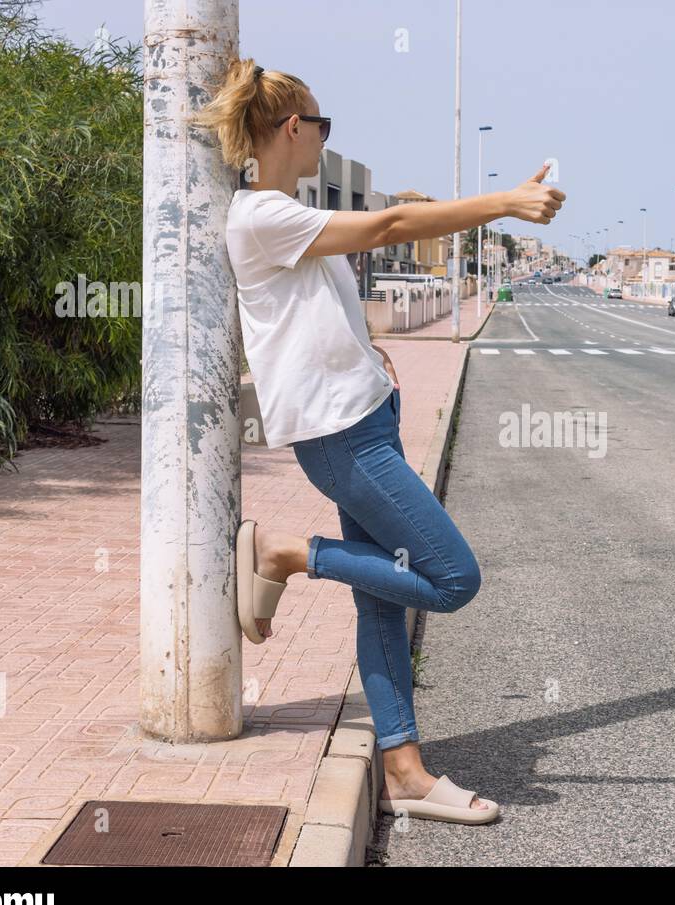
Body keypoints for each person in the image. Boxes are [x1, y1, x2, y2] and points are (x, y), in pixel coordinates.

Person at [194, 58, 565, 824]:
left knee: (382, 605)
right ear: (294, 129)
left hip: (365, 418)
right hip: (342, 438)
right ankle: (288, 555)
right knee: (453, 579)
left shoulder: (286, 213)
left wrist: (371, 357)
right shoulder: (263, 215)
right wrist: (503, 203)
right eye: (322, 125)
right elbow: (393, 225)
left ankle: (403, 772)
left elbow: (319, 311)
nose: (326, 140)